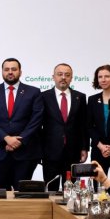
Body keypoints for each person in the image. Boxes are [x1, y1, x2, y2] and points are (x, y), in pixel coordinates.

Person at [0, 58, 43, 190]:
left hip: (25, 153)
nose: (10, 72)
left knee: (22, 194)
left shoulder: (33, 92)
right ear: (2, 72)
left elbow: (36, 119)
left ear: (20, 72)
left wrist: (19, 140)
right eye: (7, 69)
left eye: (14, 69)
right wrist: (5, 138)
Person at [40, 63, 89, 192]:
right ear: (53, 77)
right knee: (51, 190)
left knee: (72, 190)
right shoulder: (43, 97)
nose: (63, 78)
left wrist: (84, 148)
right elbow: (38, 125)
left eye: (67, 75)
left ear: (71, 78)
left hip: (73, 152)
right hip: (50, 152)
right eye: (60, 74)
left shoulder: (80, 97)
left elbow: (84, 124)